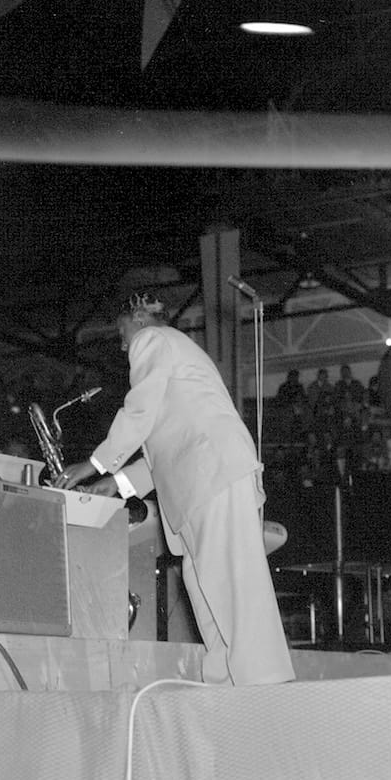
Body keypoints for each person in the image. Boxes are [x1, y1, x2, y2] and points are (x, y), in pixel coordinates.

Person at [53, 293, 294, 686]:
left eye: (121, 331)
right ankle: (227, 683)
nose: (122, 343)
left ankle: (262, 683)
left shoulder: (154, 341)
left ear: (138, 318)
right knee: (206, 588)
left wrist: (96, 462)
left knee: (232, 582)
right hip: (202, 478)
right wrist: (114, 484)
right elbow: (162, 453)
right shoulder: (174, 355)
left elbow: (139, 411)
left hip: (212, 472)